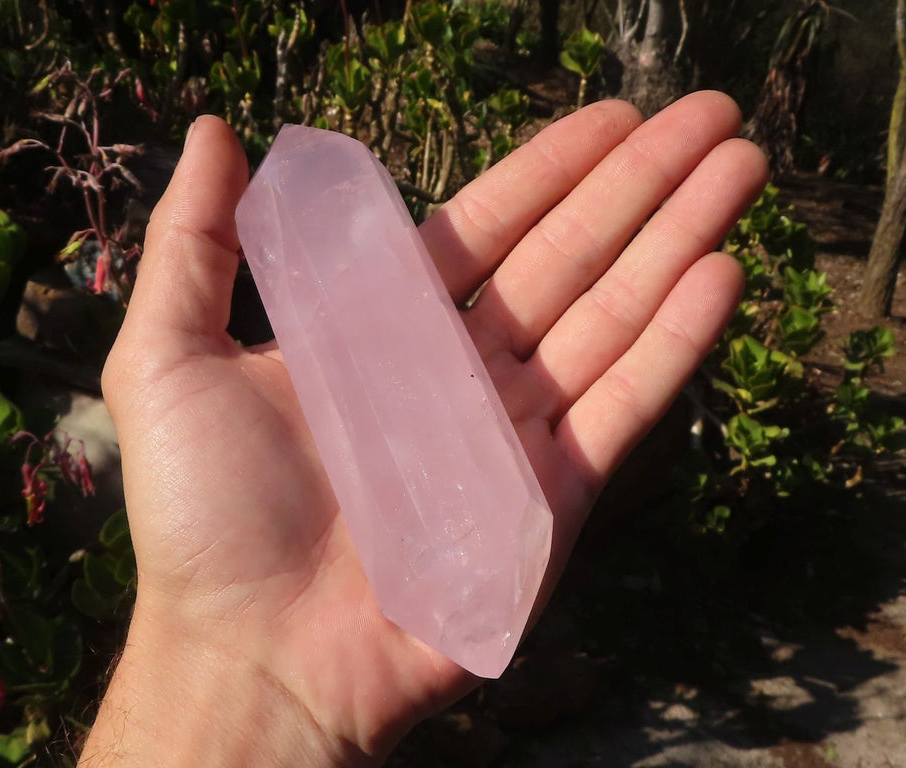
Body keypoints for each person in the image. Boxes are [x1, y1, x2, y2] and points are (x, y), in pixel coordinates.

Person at [82, 91, 767, 766]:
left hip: (472, 586)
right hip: (458, 591)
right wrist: (238, 666)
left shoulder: (310, 182)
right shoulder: (305, 190)